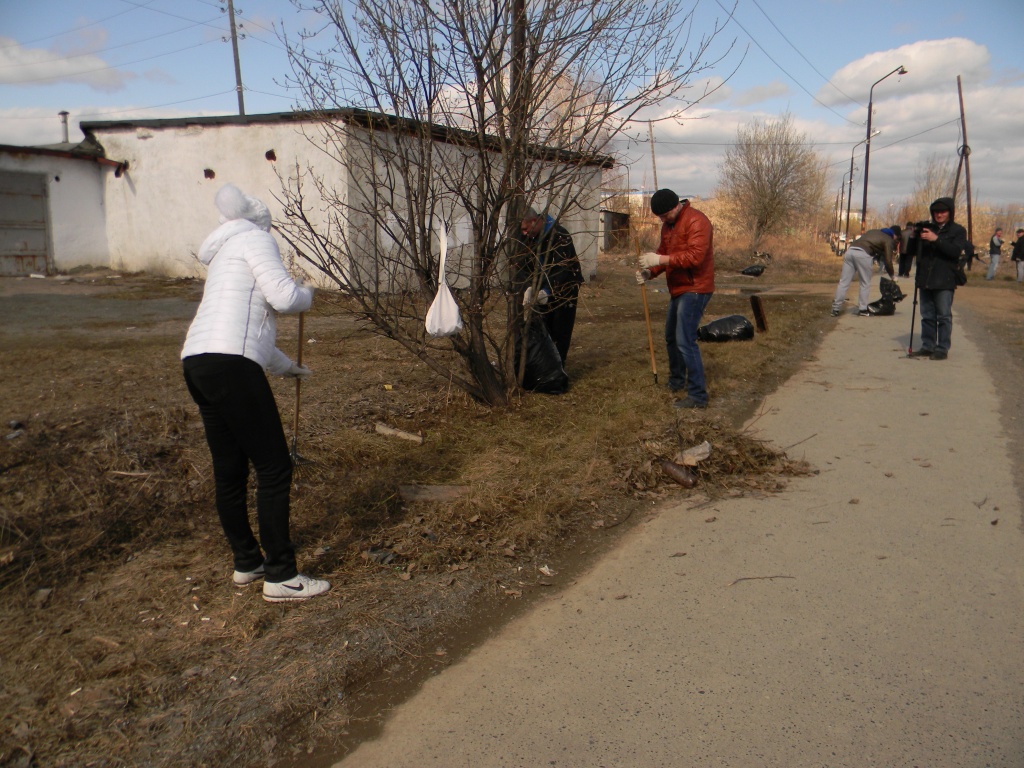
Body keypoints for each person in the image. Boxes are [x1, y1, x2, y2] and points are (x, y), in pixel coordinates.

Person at [181, 183, 331, 603]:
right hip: (230, 365)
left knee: (230, 469)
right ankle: (282, 576)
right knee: (274, 467)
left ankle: (248, 561)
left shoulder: (225, 253)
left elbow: (245, 329)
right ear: (260, 223)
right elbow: (283, 299)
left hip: (198, 361)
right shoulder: (257, 239)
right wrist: (307, 294)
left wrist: (288, 368)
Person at [636, 189, 715, 409]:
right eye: (659, 217)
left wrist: (660, 258)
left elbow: (695, 258)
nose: (662, 220)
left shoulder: (697, 221)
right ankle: (677, 382)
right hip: (679, 288)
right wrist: (649, 272)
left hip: (697, 287)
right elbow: (663, 253)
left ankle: (698, 396)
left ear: (674, 207)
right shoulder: (668, 226)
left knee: (685, 340)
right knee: (671, 336)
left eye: (664, 215)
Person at [516, 207, 584, 365]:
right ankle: (542, 367)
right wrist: (528, 287)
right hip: (539, 290)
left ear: (534, 221)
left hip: (564, 292)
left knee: (560, 332)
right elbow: (522, 265)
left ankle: (557, 371)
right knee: (541, 331)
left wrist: (547, 291)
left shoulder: (559, 236)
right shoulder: (528, 238)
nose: (524, 233)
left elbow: (563, 269)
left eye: (525, 228)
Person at [907, 197, 969, 361]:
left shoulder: (957, 231)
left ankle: (942, 348)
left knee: (943, 316)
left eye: (943, 211)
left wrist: (936, 239)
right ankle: (928, 346)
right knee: (927, 315)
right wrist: (914, 237)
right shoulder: (927, 228)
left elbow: (955, 251)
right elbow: (911, 252)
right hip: (925, 277)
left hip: (944, 279)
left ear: (950, 212)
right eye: (936, 212)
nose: (939, 215)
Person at [829, 227, 897, 317]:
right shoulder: (888, 239)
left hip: (850, 251)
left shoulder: (872, 231)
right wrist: (892, 275)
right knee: (865, 283)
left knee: (843, 282)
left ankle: (835, 309)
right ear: (892, 235)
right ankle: (862, 309)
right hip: (863, 254)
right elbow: (888, 261)